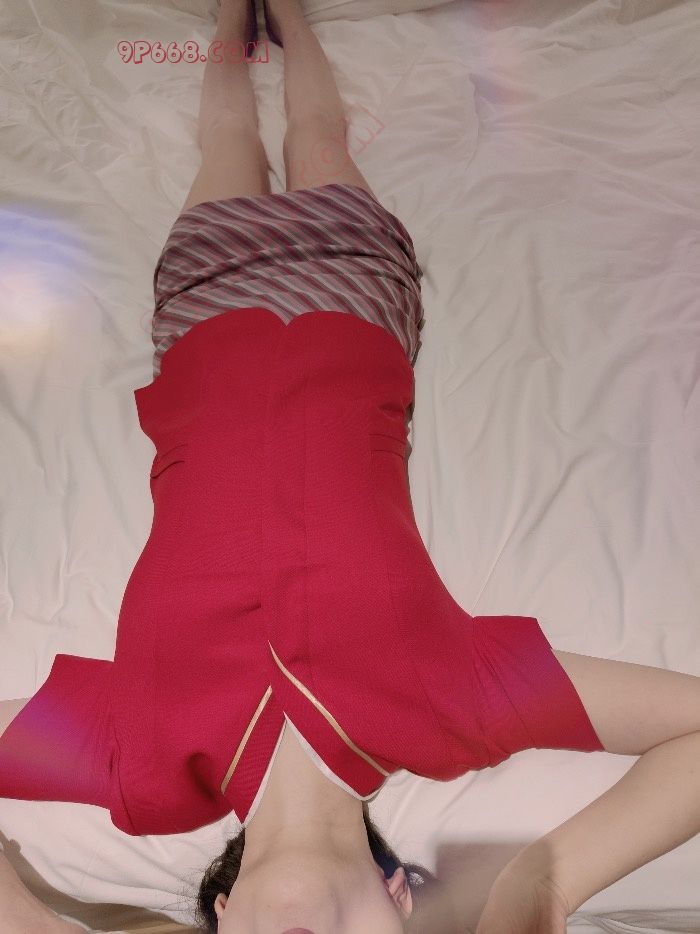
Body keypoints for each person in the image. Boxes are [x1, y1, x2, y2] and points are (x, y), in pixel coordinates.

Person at [2, 0, 700, 932]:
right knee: (318, 131)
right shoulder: (454, 707)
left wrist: (31, 920)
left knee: (226, 137)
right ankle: (291, 17)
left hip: (207, 313)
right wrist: (548, 884)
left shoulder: (139, 763)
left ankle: (234, 16)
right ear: (401, 898)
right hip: (354, 296)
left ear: (222, 911)